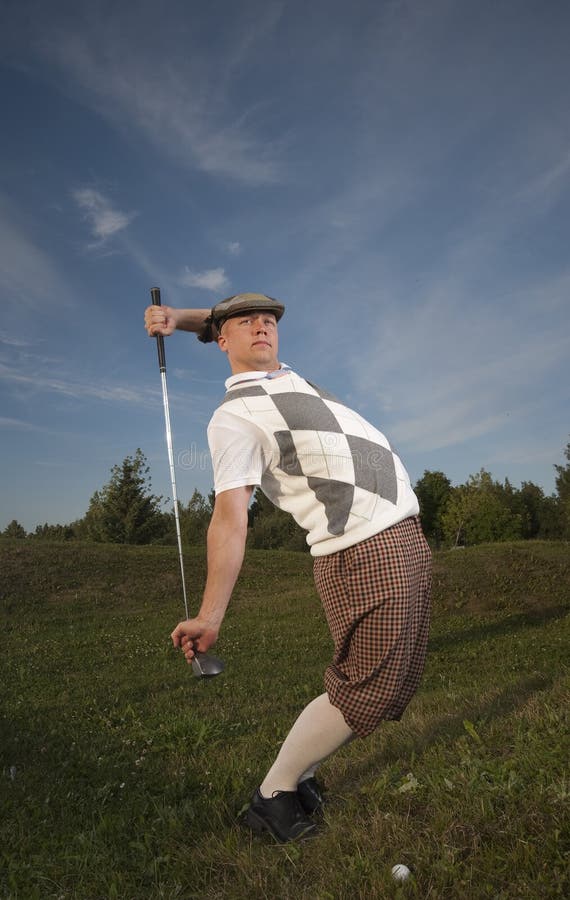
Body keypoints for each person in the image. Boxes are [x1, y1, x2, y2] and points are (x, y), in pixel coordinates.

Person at [144, 293, 431, 843]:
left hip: (401, 534)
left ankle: (298, 777)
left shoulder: (288, 379)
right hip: (360, 548)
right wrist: (210, 615)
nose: (262, 326)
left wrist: (178, 320)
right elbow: (229, 518)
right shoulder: (234, 418)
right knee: (369, 688)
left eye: (269, 319)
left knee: (392, 684)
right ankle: (273, 796)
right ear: (223, 340)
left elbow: (217, 322)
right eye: (246, 322)